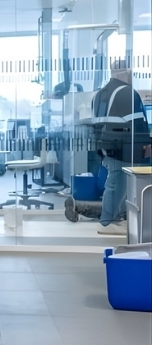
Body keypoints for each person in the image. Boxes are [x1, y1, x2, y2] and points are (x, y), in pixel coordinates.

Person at [64, 60, 150, 235]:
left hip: (108, 148)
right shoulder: (127, 92)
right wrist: (147, 146)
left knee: (115, 185)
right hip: (126, 149)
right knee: (118, 186)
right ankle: (107, 223)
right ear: (125, 71)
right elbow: (138, 124)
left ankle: (108, 218)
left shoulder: (100, 94)